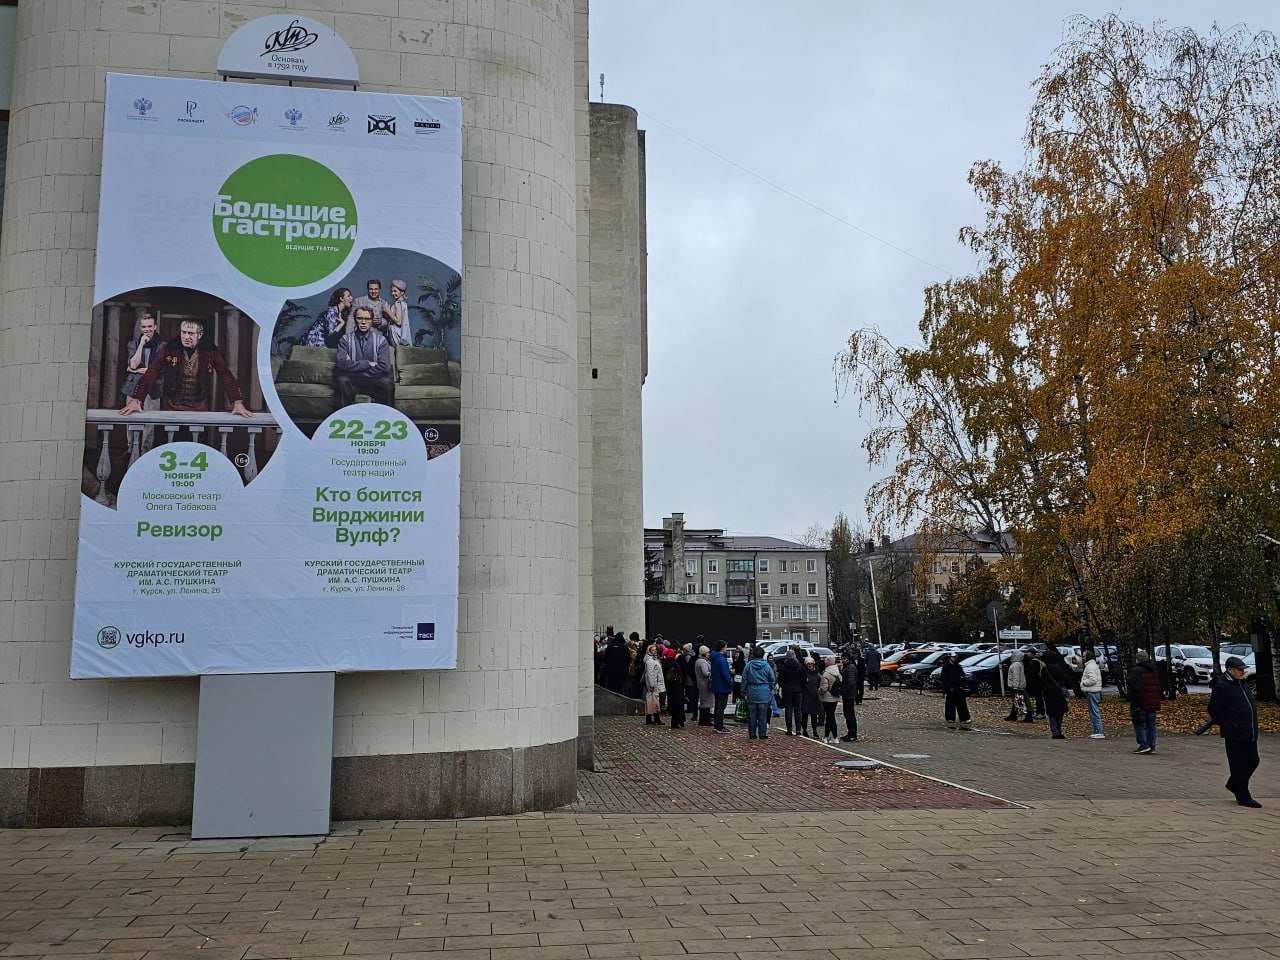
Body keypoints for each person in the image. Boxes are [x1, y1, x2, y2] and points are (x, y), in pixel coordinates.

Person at [121, 319, 251, 418]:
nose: (186, 337)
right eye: (183, 332)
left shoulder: (210, 351)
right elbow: (153, 371)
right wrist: (137, 399)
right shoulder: (169, 348)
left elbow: (225, 374)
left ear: (200, 335)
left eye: (191, 333)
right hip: (171, 406)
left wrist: (237, 401)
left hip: (198, 407)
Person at [1205, 656, 1261, 807]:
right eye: (1239, 670)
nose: (1242, 672)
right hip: (1234, 732)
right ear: (1230, 670)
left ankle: (1233, 783)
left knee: (1253, 760)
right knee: (1239, 765)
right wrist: (1229, 723)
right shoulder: (1223, 686)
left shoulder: (1242, 683)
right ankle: (1243, 796)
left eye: (1243, 669)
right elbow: (1213, 709)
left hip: (1250, 730)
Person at [334, 306, 393, 409]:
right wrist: (368, 364)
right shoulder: (345, 340)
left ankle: (385, 417)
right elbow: (341, 364)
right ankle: (345, 417)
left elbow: (385, 367)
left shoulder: (381, 340)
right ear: (355, 319)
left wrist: (352, 367)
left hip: (374, 383)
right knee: (342, 381)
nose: (363, 322)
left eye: (367, 319)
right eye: (360, 318)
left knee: (387, 383)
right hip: (352, 383)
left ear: (372, 320)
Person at [121, 313, 163, 451]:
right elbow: (133, 365)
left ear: (155, 327)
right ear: (140, 328)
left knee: (149, 421)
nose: (147, 329)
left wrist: (136, 370)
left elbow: (157, 370)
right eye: (144, 327)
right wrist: (141, 345)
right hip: (133, 386)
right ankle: (130, 449)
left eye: (150, 326)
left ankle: (145, 450)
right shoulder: (133, 344)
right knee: (130, 417)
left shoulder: (163, 345)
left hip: (153, 387)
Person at [1128, 648, 1161, 754]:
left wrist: (1135, 703)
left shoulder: (1136, 671)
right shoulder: (1153, 670)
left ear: (1138, 659)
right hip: (1152, 701)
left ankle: (1144, 744)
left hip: (1141, 702)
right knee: (1151, 725)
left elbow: (1136, 688)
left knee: (1139, 723)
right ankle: (1152, 745)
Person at [741, 647, 776, 740]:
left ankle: (752, 734)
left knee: (751, 715)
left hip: (751, 690)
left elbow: (744, 678)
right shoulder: (766, 666)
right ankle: (762, 733)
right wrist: (771, 688)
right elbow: (772, 679)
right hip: (764, 691)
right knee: (762, 715)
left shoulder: (749, 665)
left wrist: (743, 690)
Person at [1040, 649, 1069, 739]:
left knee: (1051, 713)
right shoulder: (1058, 668)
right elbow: (1065, 678)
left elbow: (1042, 680)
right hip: (1058, 692)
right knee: (1060, 711)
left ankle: (1055, 731)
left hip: (1048, 693)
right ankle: (1058, 729)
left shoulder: (1045, 669)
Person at [778, 646, 806, 735]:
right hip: (798, 690)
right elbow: (804, 679)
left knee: (788, 710)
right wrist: (802, 688)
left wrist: (783, 686)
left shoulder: (784, 667)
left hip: (787, 690)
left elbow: (780, 680)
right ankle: (798, 730)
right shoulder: (800, 666)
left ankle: (789, 729)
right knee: (798, 710)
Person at [940, 652, 971, 725]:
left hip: (959, 688)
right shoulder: (946, 667)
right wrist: (948, 688)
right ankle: (950, 718)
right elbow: (944, 679)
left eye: (955, 657)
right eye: (953, 657)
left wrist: (961, 686)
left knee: (962, 704)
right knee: (950, 704)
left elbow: (963, 676)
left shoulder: (958, 667)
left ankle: (964, 718)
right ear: (950, 657)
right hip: (950, 688)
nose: (954, 658)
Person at [709, 640, 734, 733]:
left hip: (716, 685)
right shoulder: (721, 659)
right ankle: (719, 726)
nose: (726, 649)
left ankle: (717, 725)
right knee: (721, 707)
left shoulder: (714, 658)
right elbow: (725, 674)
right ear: (723, 647)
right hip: (723, 686)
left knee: (717, 706)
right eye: (726, 647)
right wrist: (730, 682)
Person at [1080, 649, 1105, 738]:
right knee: (1094, 712)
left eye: (1084, 656)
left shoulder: (1090, 666)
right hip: (1093, 691)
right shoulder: (1092, 665)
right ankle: (1097, 730)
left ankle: (1099, 731)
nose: (1082, 658)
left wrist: (1083, 683)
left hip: (1092, 692)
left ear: (1087, 657)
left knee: (1094, 712)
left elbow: (1093, 679)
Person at [818, 656, 842, 744]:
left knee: (830, 717)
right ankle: (828, 736)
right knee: (830, 716)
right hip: (835, 697)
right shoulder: (837, 672)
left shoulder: (826, 674)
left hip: (827, 698)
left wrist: (819, 691)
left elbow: (824, 688)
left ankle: (832, 736)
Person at [383, 279, 413, 347]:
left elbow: (398, 322)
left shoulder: (398, 304)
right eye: (392, 291)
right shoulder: (403, 303)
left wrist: (388, 311)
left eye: (395, 291)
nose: (392, 293)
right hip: (399, 333)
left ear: (402, 292)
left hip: (396, 335)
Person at [642, 644, 666, 725]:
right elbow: (650, 674)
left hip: (656, 683)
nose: (655, 651)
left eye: (655, 649)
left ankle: (654, 718)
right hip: (654, 684)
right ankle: (653, 718)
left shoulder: (654, 659)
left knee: (653, 701)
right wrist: (652, 685)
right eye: (653, 650)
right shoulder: (650, 661)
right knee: (653, 701)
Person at [839, 651, 860, 741]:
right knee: (847, 714)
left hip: (849, 695)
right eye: (842, 659)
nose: (843, 660)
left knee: (849, 714)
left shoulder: (850, 667)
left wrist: (843, 691)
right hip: (848, 694)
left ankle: (852, 734)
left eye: (844, 659)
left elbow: (851, 682)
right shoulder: (847, 667)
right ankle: (850, 732)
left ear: (848, 659)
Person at [665, 648, 687, 729]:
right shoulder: (675, 665)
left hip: (669, 687)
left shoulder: (664, 663)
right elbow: (682, 675)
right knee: (678, 705)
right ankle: (678, 721)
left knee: (673, 703)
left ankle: (675, 721)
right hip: (677, 687)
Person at [801, 658, 823, 738]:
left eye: (811, 664)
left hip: (815, 697)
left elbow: (820, 685)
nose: (810, 665)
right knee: (805, 715)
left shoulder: (817, 674)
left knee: (814, 715)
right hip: (806, 696)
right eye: (808, 664)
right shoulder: (803, 674)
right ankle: (804, 730)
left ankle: (814, 731)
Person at [602, 630, 629, 694]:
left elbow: (605, 658)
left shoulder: (610, 647)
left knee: (611, 686)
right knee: (620, 686)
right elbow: (628, 659)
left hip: (611, 670)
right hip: (621, 670)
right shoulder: (624, 647)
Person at [1005, 650, 1029, 721]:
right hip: (1020, 686)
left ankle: (1027, 716)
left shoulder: (1015, 665)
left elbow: (1016, 676)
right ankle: (1013, 715)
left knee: (1019, 701)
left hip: (1017, 687)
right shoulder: (1020, 664)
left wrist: (1015, 687)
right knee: (1018, 701)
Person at [695, 645, 714, 726]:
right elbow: (705, 673)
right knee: (706, 702)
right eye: (707, 652)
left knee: (703, 702)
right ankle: (706, 720)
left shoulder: (698, 661)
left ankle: (702, 720)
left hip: (701, 683)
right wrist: (713, 673)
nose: (709, 654)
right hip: (705, 684)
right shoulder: (703, 662)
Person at [1025, 649, 1045, 720]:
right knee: (1039, 698)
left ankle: (1040, 712)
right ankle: (1040, 712)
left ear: (1031, 653)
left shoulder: (1034, 662)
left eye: (1028, 653)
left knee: (1038, 699)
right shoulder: (1039, 661)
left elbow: (1033, 673)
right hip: (1039, 683)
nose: (1027, 654)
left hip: (1036, 683)